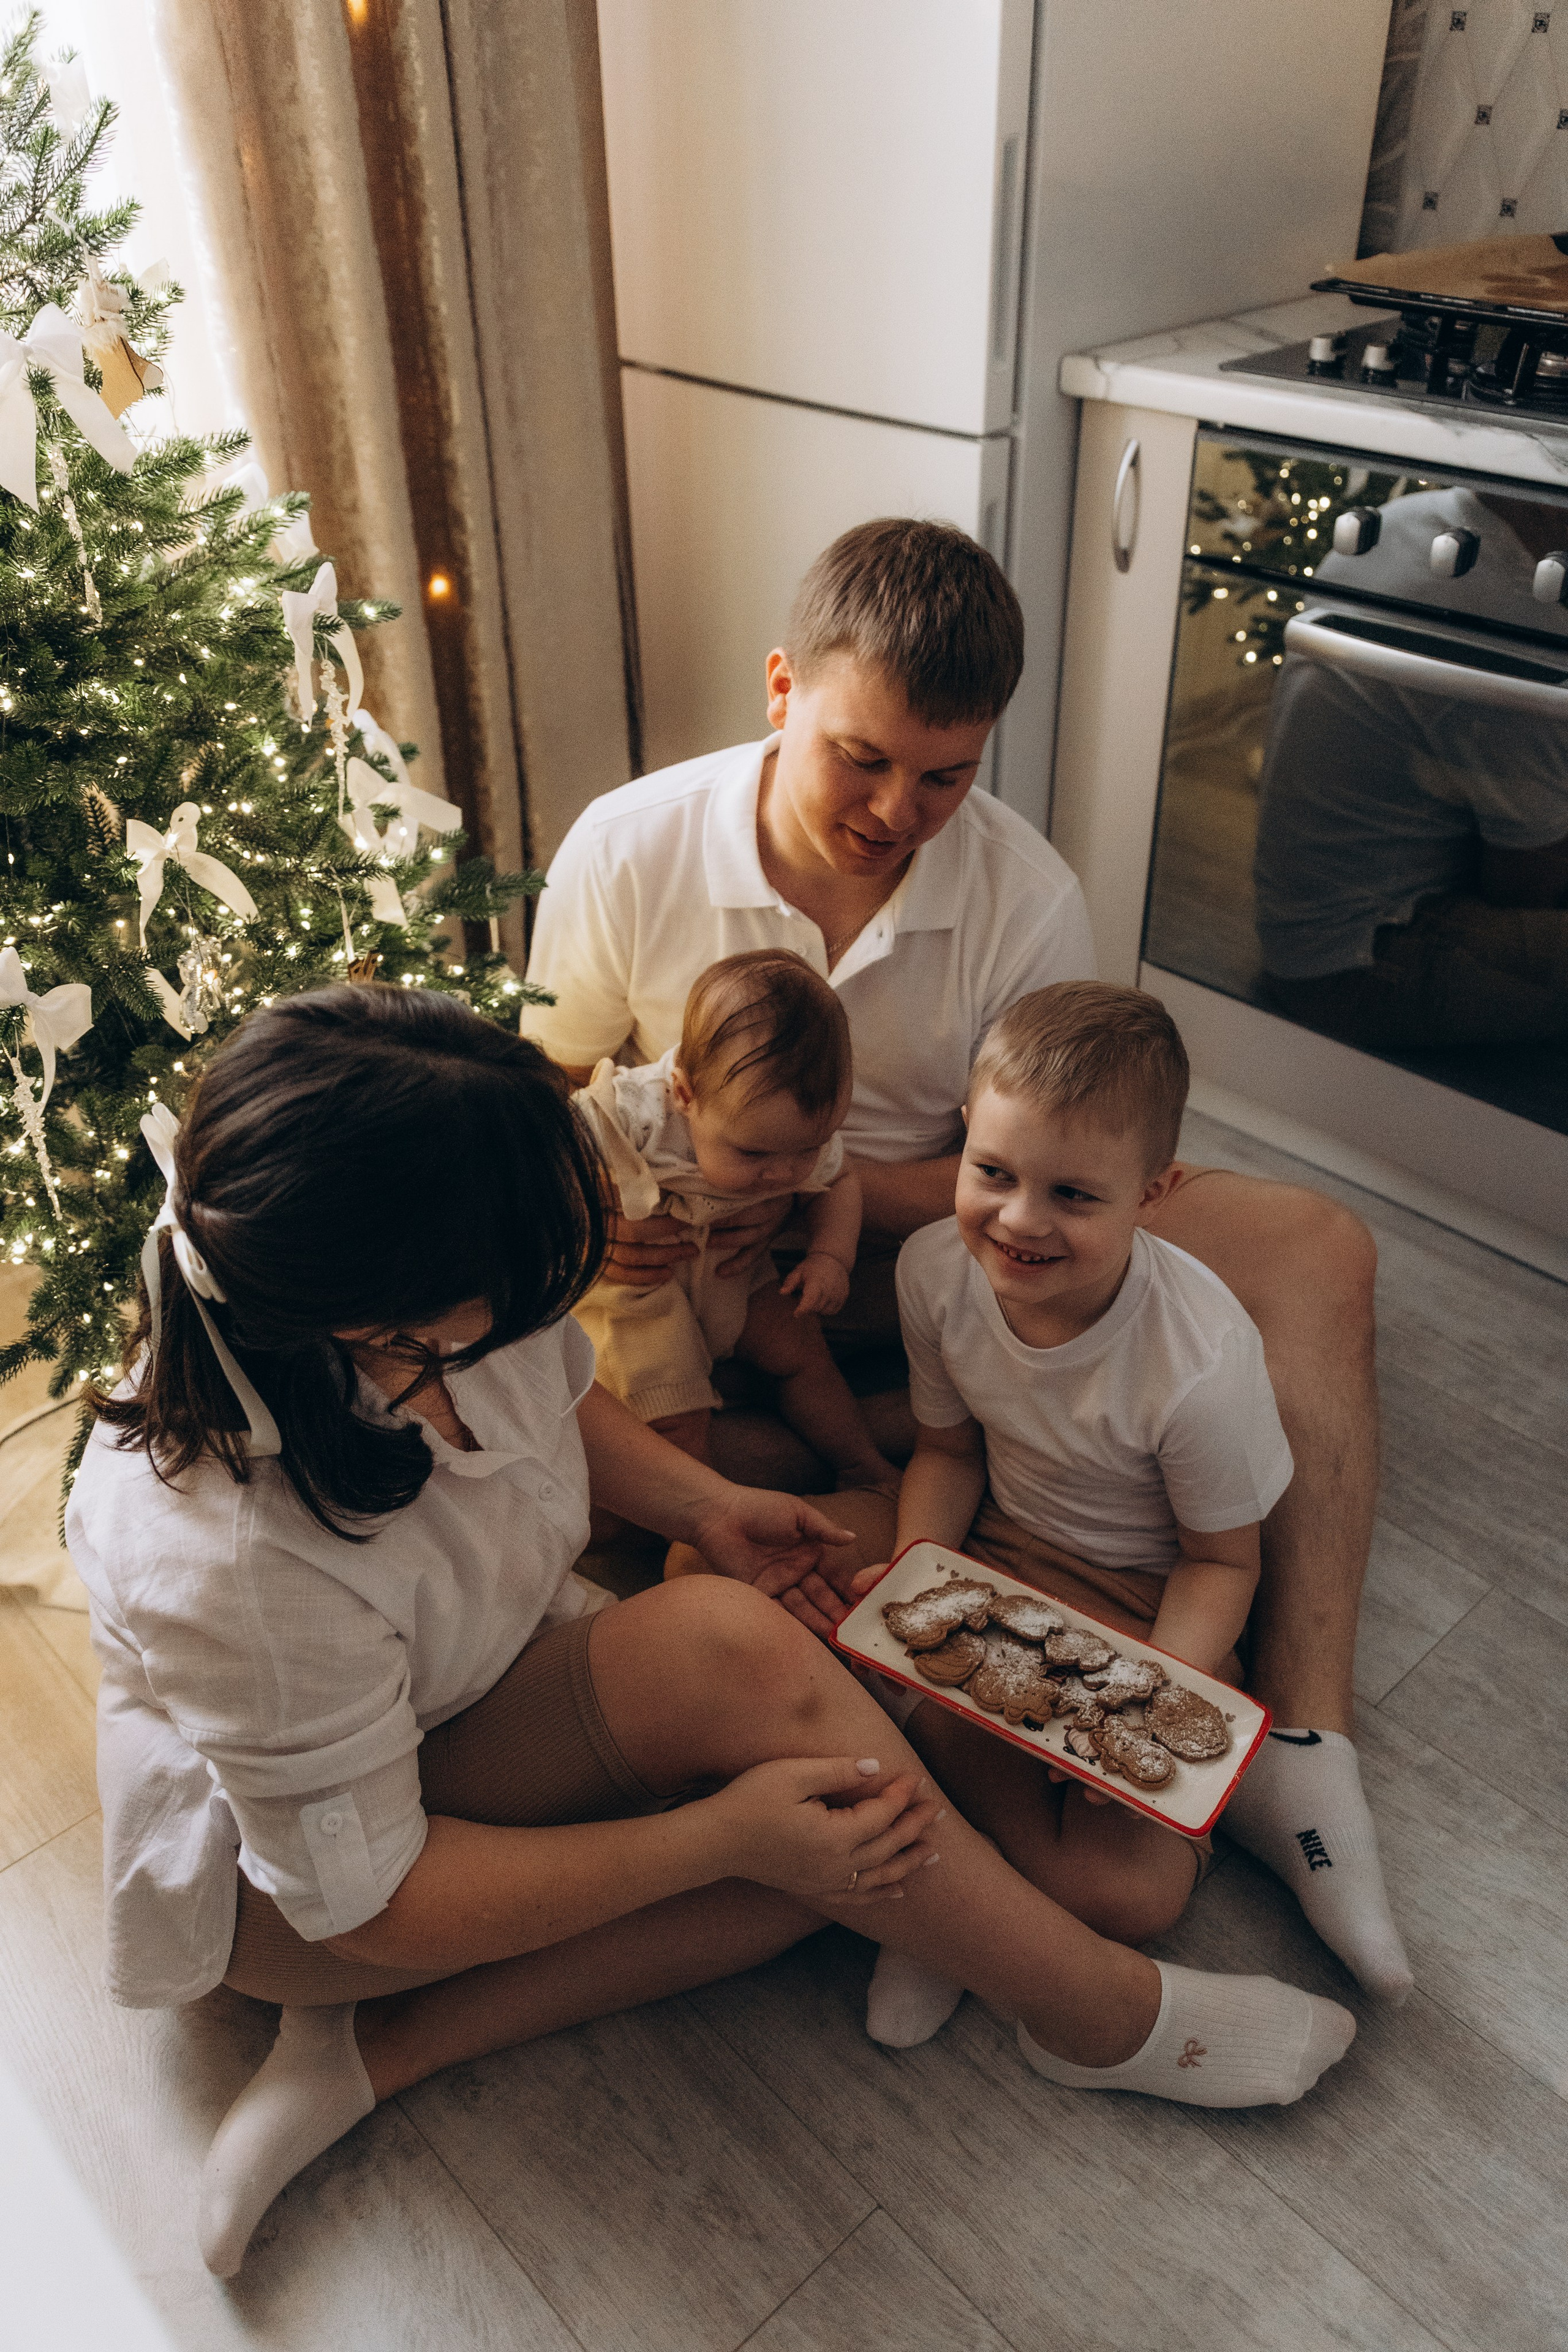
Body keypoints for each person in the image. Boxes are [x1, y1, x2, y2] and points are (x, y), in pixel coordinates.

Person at [66, 989, 1355, 2278]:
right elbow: (374, 1904)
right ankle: (1095, 2014)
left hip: (460, 1704)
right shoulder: (235, 1563)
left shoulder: (418, 1299)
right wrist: (713, 1839)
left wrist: (706, 1508)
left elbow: (549, 1398)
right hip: (316, 1903)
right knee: (813, 1820)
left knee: (847, 1847)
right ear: (387, 1321)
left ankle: (383, 2048)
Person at [524, 517, 1409, 2002]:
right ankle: (929, 1499)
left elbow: (1051, 1148)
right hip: (708, 1279)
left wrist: (831, 1193)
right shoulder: (629, 843)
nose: (896, 810)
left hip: (942, 1237)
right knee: (667, 1501)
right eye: (859, 759)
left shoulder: (1023, 892)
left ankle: (1304, 1741)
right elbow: (542, 1084)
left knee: (1318, 1245)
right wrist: (591, 1210)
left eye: (944, 776)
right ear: (780, 690)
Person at [858, 982, 1298, 2045]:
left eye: (1072, 1195)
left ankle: (945, 1885)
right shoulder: (933, 1272)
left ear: (1155, 1192)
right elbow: (948, 1452)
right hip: (995, 1549)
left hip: (1141, 1597)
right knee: (761, 1601)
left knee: (1131, 1893)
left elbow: (1223, 1565)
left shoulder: (1199, 1361)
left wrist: (1140, 1704)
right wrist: (915, 1583)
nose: (1019, 1220)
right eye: (993, 1173)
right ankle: (968, 1874)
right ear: (965, 1137)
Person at [1256, 481, 1568, 1053]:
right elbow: (1525, 884)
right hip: (1361, 963)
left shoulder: (1400, 521)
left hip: (1299, 926)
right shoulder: (1520, 616)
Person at [571, 949, 897, 1493]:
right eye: (754, 1154)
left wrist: (830, 1256)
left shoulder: (794, 1134)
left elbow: (841, 1181)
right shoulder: (627, 1113)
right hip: (641, 1292)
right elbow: (542, 1168)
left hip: (736, 1273)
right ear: (684, 1094)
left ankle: (860, 1462)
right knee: (675, 1414)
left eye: (808, 1149)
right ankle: (702, 1515)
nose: (786, 1173)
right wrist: (583, 1225)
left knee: (802, 1353)